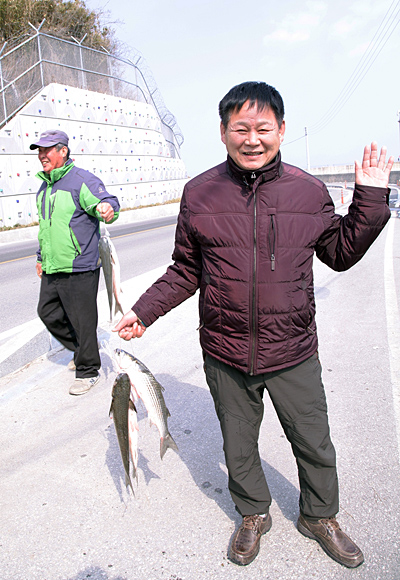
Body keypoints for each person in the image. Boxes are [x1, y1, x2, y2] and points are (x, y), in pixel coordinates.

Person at [113, 82, 393, 568]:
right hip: (225, 349)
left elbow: (341, 253)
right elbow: (185, 269)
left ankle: (319, 516)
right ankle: (252, 513)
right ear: (223, 132)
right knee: (237, 444)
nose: (252, 139)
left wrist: (370, 200)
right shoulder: (200, 193)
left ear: (280, 131)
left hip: (292, 349)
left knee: (314, 440)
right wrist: (145, 310)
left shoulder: (307, 191)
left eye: (263, 128)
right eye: (240, 128)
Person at [31, 129, 120, 395]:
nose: (42, 155)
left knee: (83, 320)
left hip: (80, 265)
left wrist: (107, 209)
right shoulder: (43, 188)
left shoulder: (81, 180)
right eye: (39, 151)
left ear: (63, 151)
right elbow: (46, 228)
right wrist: (40, 257)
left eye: (47, 150)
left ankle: (88, 370)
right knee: (47, 312)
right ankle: (83, 349)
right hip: (52, 265)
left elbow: (107, 201)